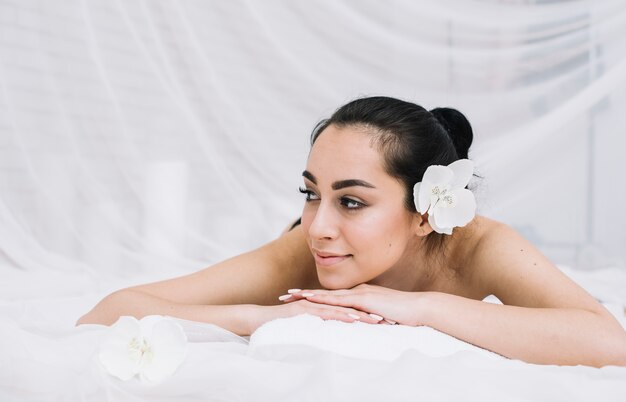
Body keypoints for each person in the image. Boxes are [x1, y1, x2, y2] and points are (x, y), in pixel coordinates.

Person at [76, 96, 626, 367]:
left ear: (425, 212)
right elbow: (107, 311)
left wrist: (421, 307)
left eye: (352, 201)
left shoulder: (480, 247)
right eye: (312, 193)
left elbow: (610, 343)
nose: (318, 226)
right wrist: (262, 315)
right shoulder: (302, 247)